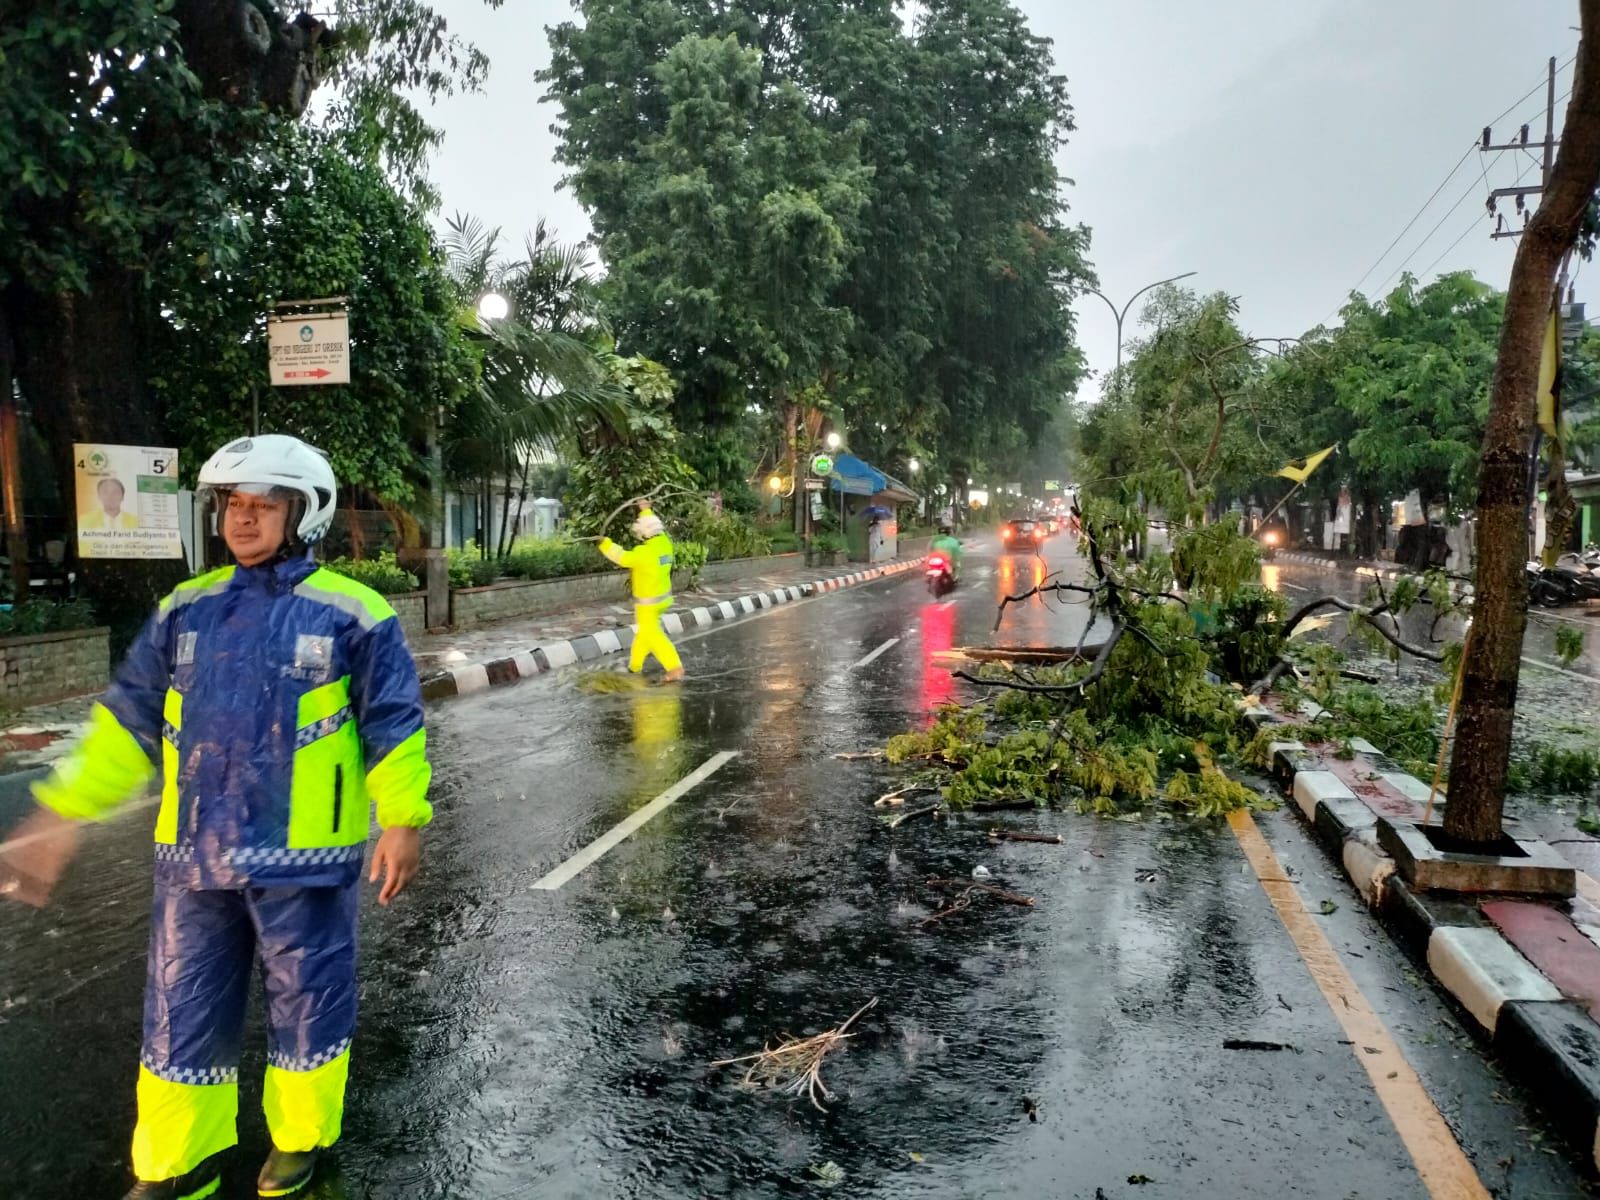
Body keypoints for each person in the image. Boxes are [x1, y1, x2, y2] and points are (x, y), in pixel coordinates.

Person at [0, 434, 432, 1200]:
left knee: (308, 998)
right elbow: (126, 720)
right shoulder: (184, 610)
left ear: (305, 515)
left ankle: (299, 1140)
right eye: (234, 504)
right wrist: (62, 811)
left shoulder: (352, 612)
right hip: (193, 855)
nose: (243, 519)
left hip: (303, 856)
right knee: (180, 1005)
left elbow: (392, 722)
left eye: (264, 505)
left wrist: (401, 817)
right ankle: (177, 1158)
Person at [600, 503, 684, 682]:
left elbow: (621, 557)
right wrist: (645, 509)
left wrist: (604, 544)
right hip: (662, 598)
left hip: (648, 603)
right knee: (644, 634)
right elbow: (651, 524)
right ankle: (634, 667)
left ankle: (674, 667)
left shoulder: (643, 552)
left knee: (652, 635)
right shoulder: (664, 543)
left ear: (643, 533)